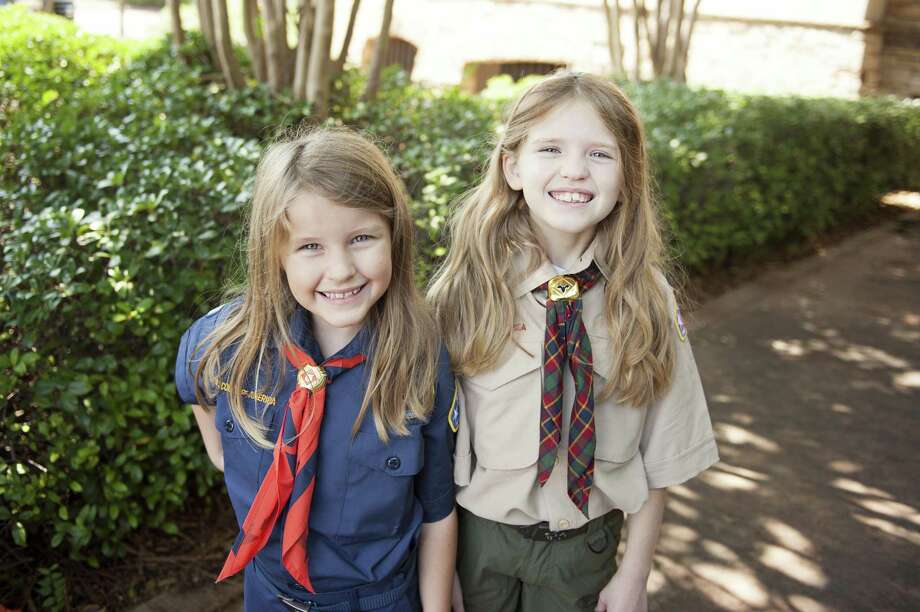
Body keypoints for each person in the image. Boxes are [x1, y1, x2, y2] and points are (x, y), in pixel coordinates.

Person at [428, 71, 719, 612]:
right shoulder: (466, 289)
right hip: (474, 544)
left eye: (600, 155)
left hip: (585, 551)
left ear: (628, 177)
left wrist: (635, 575)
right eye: (551, 148)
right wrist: (439, 577)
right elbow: (430, 450)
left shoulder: (646, 298)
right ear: (512, 167)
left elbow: (663, 453)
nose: (574, 170)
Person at [175, 128, 457, 612]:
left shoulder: (419, 358)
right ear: (275, 253)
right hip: (267, 595)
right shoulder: (222, 343)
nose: (342, 268)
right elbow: (201, 398)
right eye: (310, 247)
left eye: (362, 238)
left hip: (378, 599)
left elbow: (437, 513)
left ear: (395, 237)